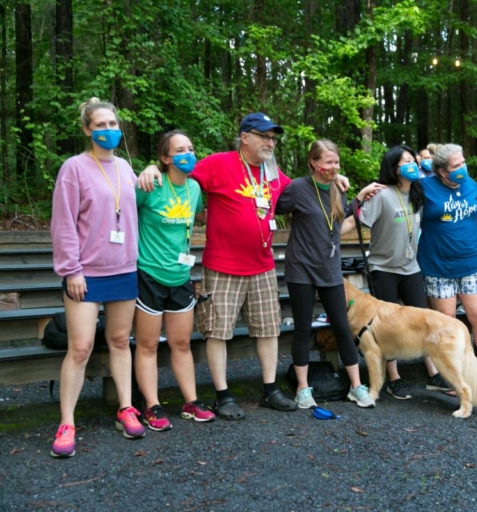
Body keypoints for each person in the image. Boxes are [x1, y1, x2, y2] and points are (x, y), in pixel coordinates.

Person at [137, 113, 350, 419]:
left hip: (262, 266)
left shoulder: (274, 174)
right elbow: (177, 174)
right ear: (245, 137)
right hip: (222, 265)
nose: (270, 142)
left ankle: (270, 389)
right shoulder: (217, 163)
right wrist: (151, 168)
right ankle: (223, 396)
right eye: (264, 136)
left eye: (273, 138)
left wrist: (335, 179)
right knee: (218, 332)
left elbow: (309, 188)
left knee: (268, 330)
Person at [50, 98, 145, 457]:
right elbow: (63, 224)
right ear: (87, 130)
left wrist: (151, 171)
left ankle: (125, 408)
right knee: (81, 347)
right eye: (101, 125)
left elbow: (139, 206)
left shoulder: (125, 167)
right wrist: (71, 269)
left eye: (113, 124)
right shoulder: (73, 168)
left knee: (120, 341)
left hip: (124, 269)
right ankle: (67, 422)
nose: (109, 130)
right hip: (85, 274)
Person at [275, 139, 383, 409]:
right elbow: (274, 205)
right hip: (301, 268)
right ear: (314, 162)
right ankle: (303, 389)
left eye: (336, 162)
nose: (333, 167)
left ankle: (357, 386)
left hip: (330, 269)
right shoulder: (298, 188)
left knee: (342, 328)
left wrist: (358, 199)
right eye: (328, 162)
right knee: (302, 328)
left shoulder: (338, 189)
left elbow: (337, 227)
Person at [133, 130, 216, 431]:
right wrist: (149, 169)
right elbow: (120, 213)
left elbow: (200, 216)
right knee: (148, 345)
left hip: (181, 277)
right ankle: (152, 406)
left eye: (191, 148)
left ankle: (191, 401)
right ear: (166, 158)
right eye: (179, 150)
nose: (188, 154)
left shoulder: (194, 188)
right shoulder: (149, 185)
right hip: (149, 276)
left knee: (181, 343)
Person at [356, 145, 450, 398]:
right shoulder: (381, 194)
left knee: (422, 321)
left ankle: (433, 373)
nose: (412, 165)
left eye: (413, 160)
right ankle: (393, 377)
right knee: (388, 325)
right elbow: (356, 221)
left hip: (411, 267)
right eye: (405, 162)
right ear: (394, 169)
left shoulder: (420, 191)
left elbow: (451, 182)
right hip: (383, 268)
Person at [417, 143, 477, 393]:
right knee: (447, 324)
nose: (462, 168)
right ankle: (455, 375)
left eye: (463, 162)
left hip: (470, 263)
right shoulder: (424, 187)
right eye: (456, 166)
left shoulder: (473, 186)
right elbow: (395, 194)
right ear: (441, 171)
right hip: (437, 266)